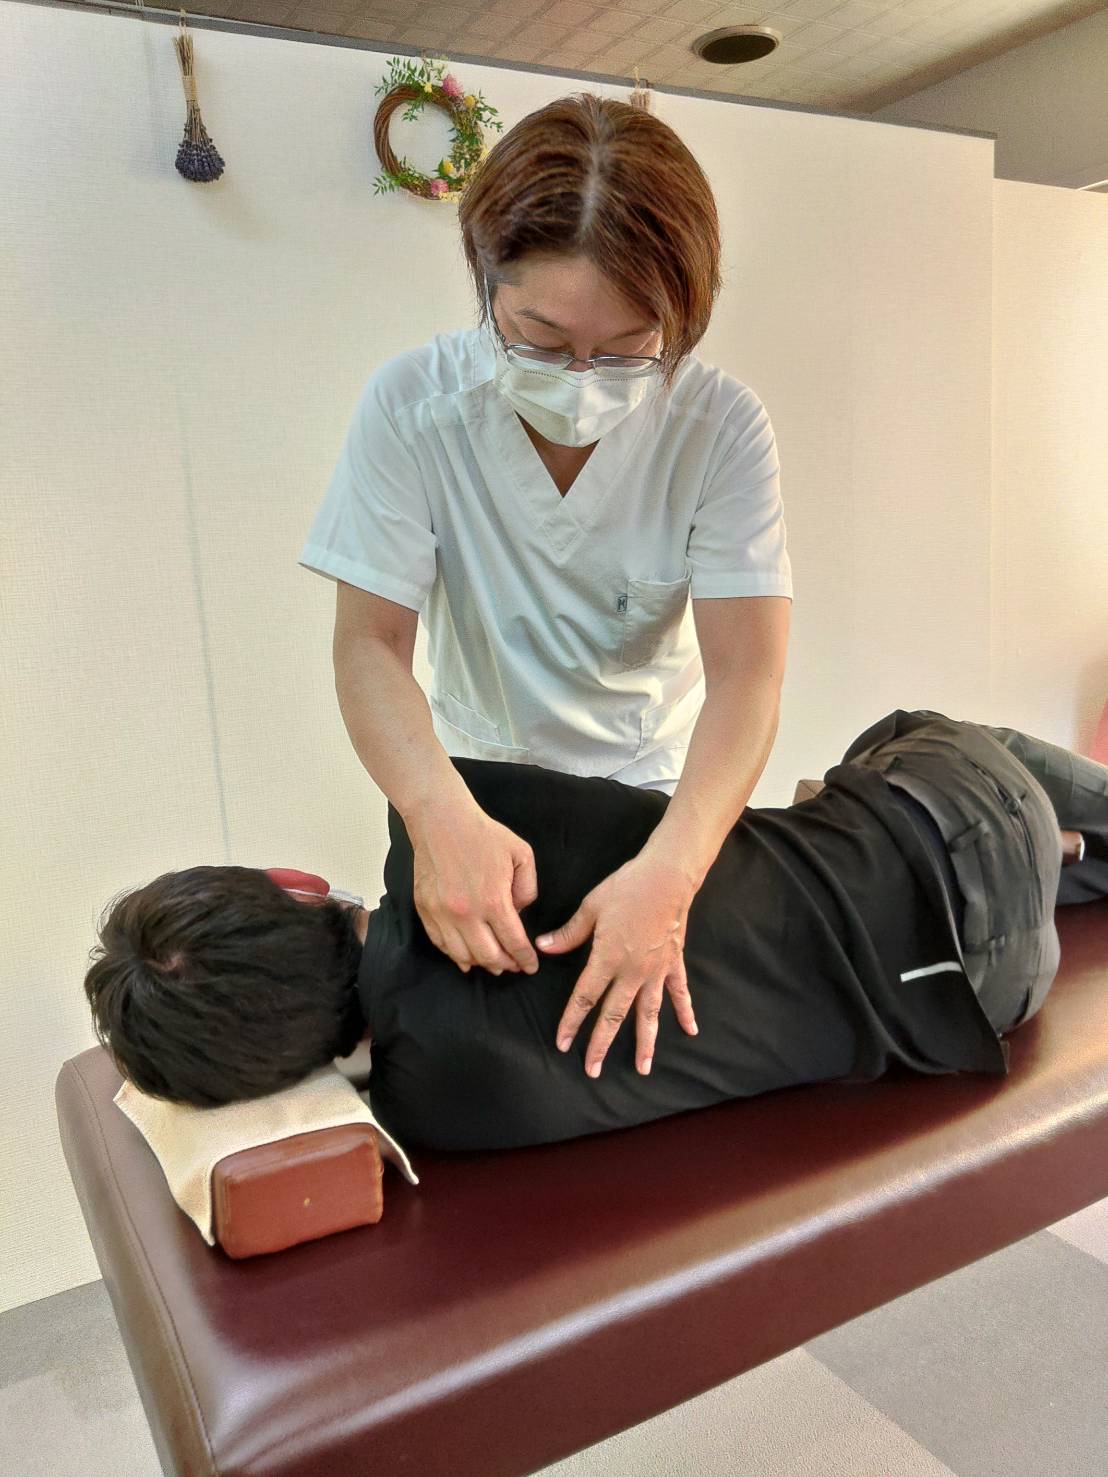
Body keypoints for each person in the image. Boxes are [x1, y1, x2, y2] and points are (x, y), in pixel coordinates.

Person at [297, 92, 792, 1067]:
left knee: (657, 1056)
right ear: (488, 283)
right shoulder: (414, 406)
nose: (580, 377)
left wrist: (672, 873)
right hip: (473, 794)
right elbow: (370, 645)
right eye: (541, 338)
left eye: (626, 347)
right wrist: (434, 812)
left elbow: (749, 675)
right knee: (458, 1062)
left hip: (659, 808)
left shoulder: (720, 428)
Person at [83, 709, 1107, 1155]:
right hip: (963, 807)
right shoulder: (466, 819)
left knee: (875, 821)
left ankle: (1059, 855)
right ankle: (1054, 842)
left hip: (986, 1001)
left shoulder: (433, 1110)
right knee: (899, 739)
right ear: (295, 885)